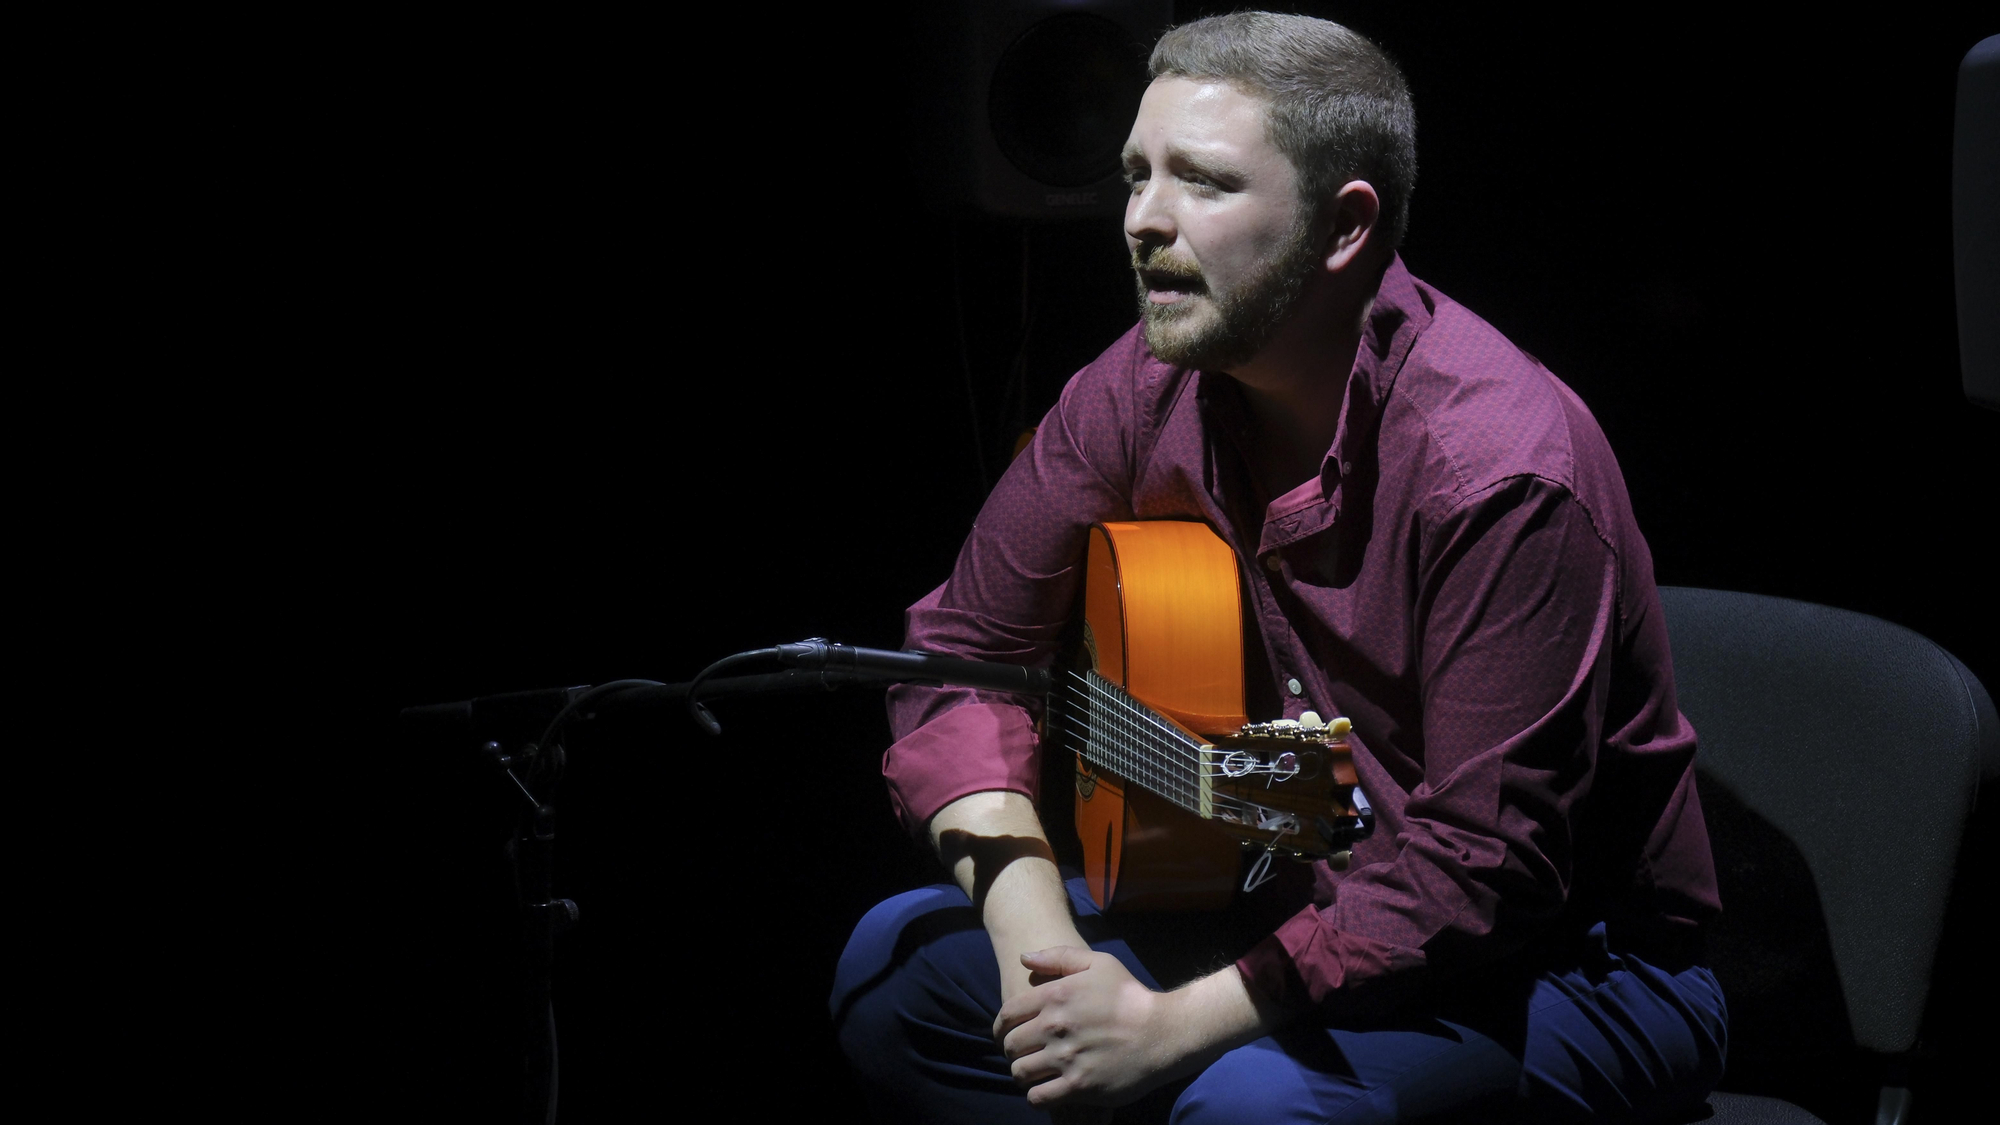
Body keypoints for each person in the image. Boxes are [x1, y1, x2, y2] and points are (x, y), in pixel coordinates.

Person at [832, 12, 1726, 1123]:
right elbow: (967, 653)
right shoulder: (1142, 383)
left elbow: (1479, 870)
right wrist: (1038, 953)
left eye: (1201, 183)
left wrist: (1164, 1026)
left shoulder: (1499, 473)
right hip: (1278, 874)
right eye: (1134, 174)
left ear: (1342, 228)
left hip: (1567, 967)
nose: (1140, 221)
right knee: (899, 972)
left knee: (1253, 1105)